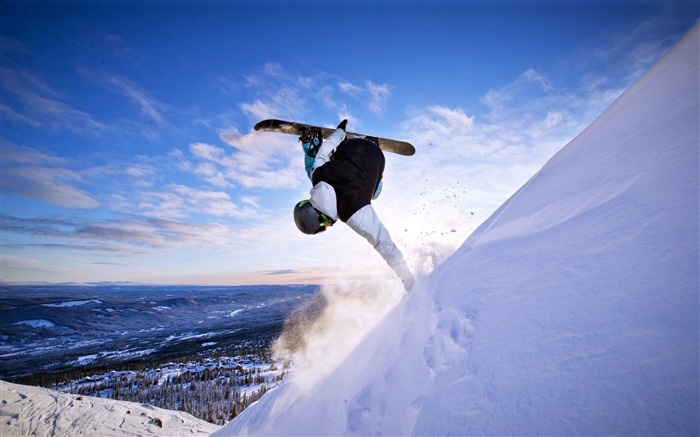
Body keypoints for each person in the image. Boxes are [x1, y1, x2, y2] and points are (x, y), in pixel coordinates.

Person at [293, 119, 415, 292]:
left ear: (321, 219)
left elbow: (384, 243)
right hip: (350, 145)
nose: (329, 226)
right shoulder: (317, 176)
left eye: (324, 227)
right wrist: (340, 131)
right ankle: (311, 141)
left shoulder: (353, 212)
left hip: (376, 154)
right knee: (315, 165)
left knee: (375, 193)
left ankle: (371, 144)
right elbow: (325, 151)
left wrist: (408, 280)